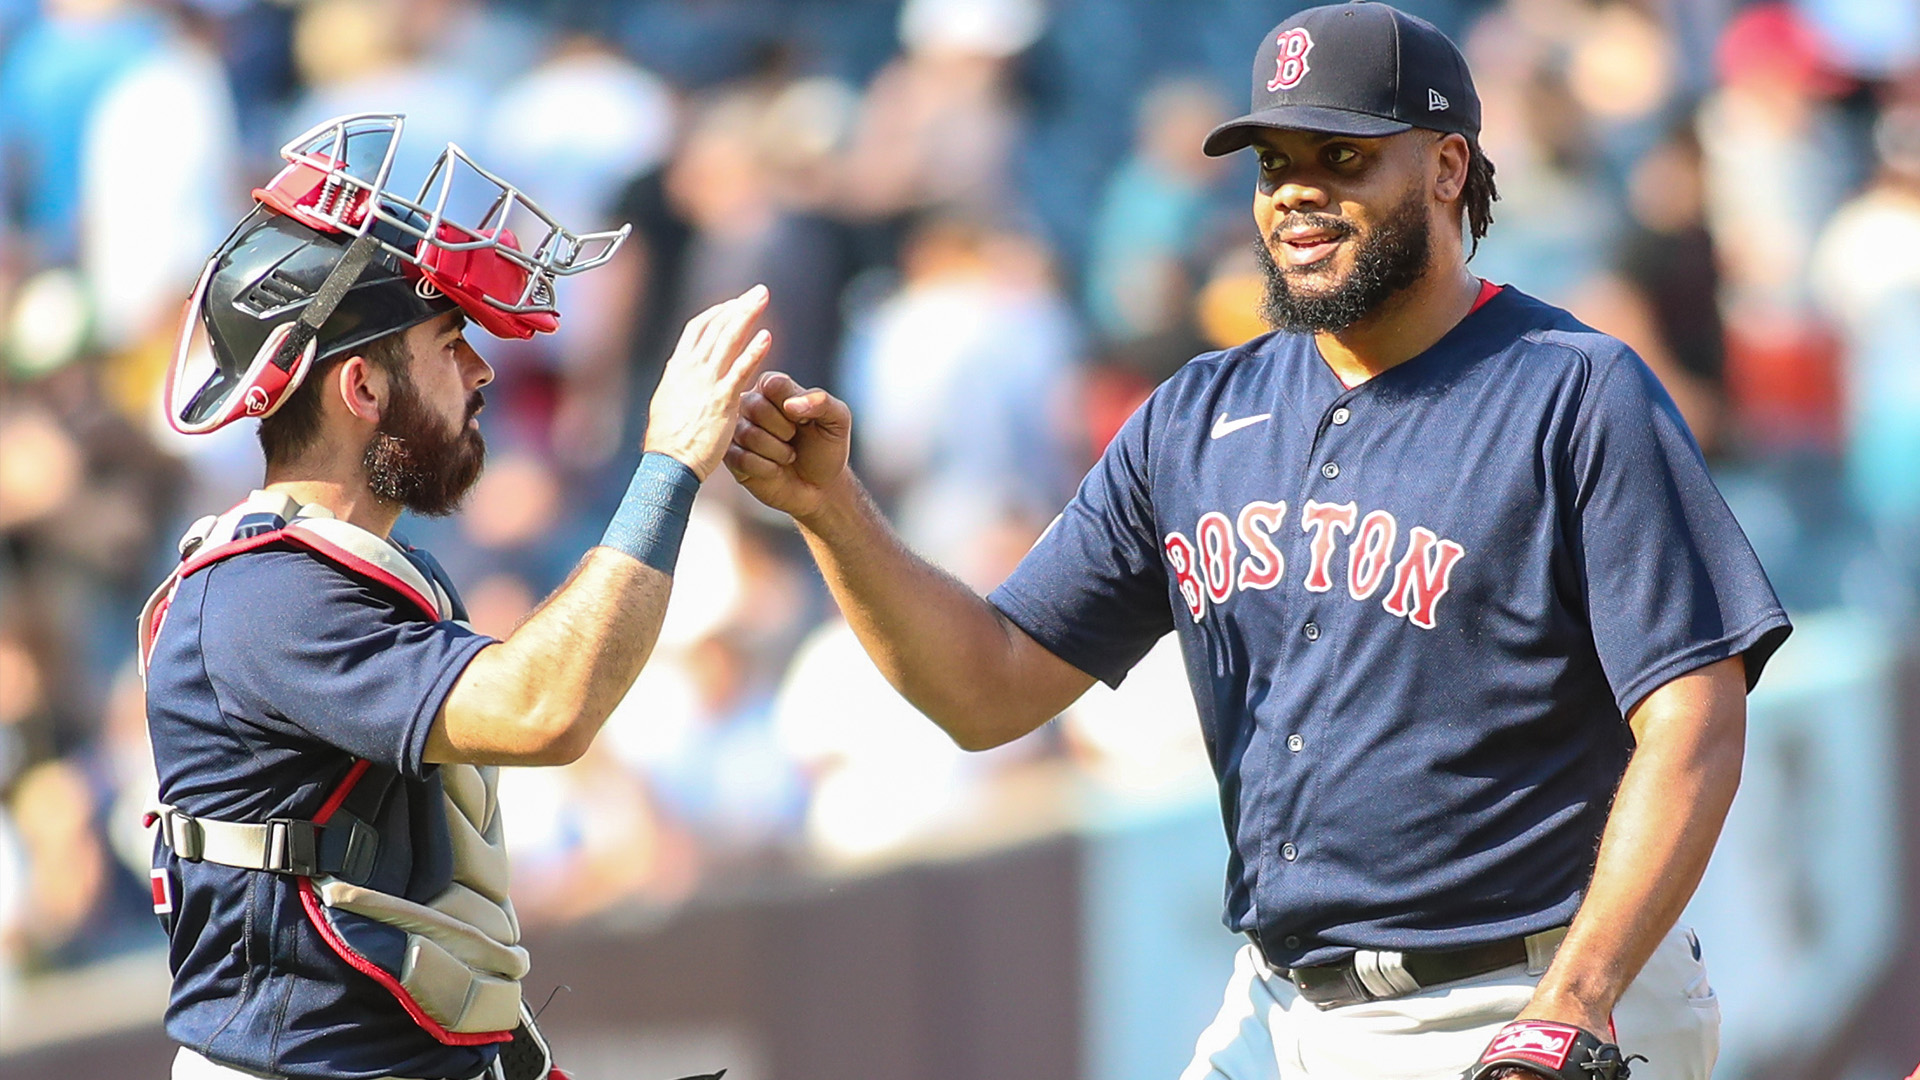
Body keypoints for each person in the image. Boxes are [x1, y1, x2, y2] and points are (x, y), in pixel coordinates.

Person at [724, 5, 1790, 1079]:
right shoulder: (1194, 415)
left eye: (1342, 157)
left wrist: (1576, 999)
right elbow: (985, 689)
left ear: (1447, 166)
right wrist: (833, 512)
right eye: (1273, 161)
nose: (1296, 193)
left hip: (1529, 994)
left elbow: (1696, 719)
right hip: (1280, 1012)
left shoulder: (1575, 390)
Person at [139, 113, 764, 1080]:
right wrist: (669, 467)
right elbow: (543, 710)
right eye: (447, 343)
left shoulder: (373, 572)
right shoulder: (265, 598)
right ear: (361, 388)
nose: (481, 373)